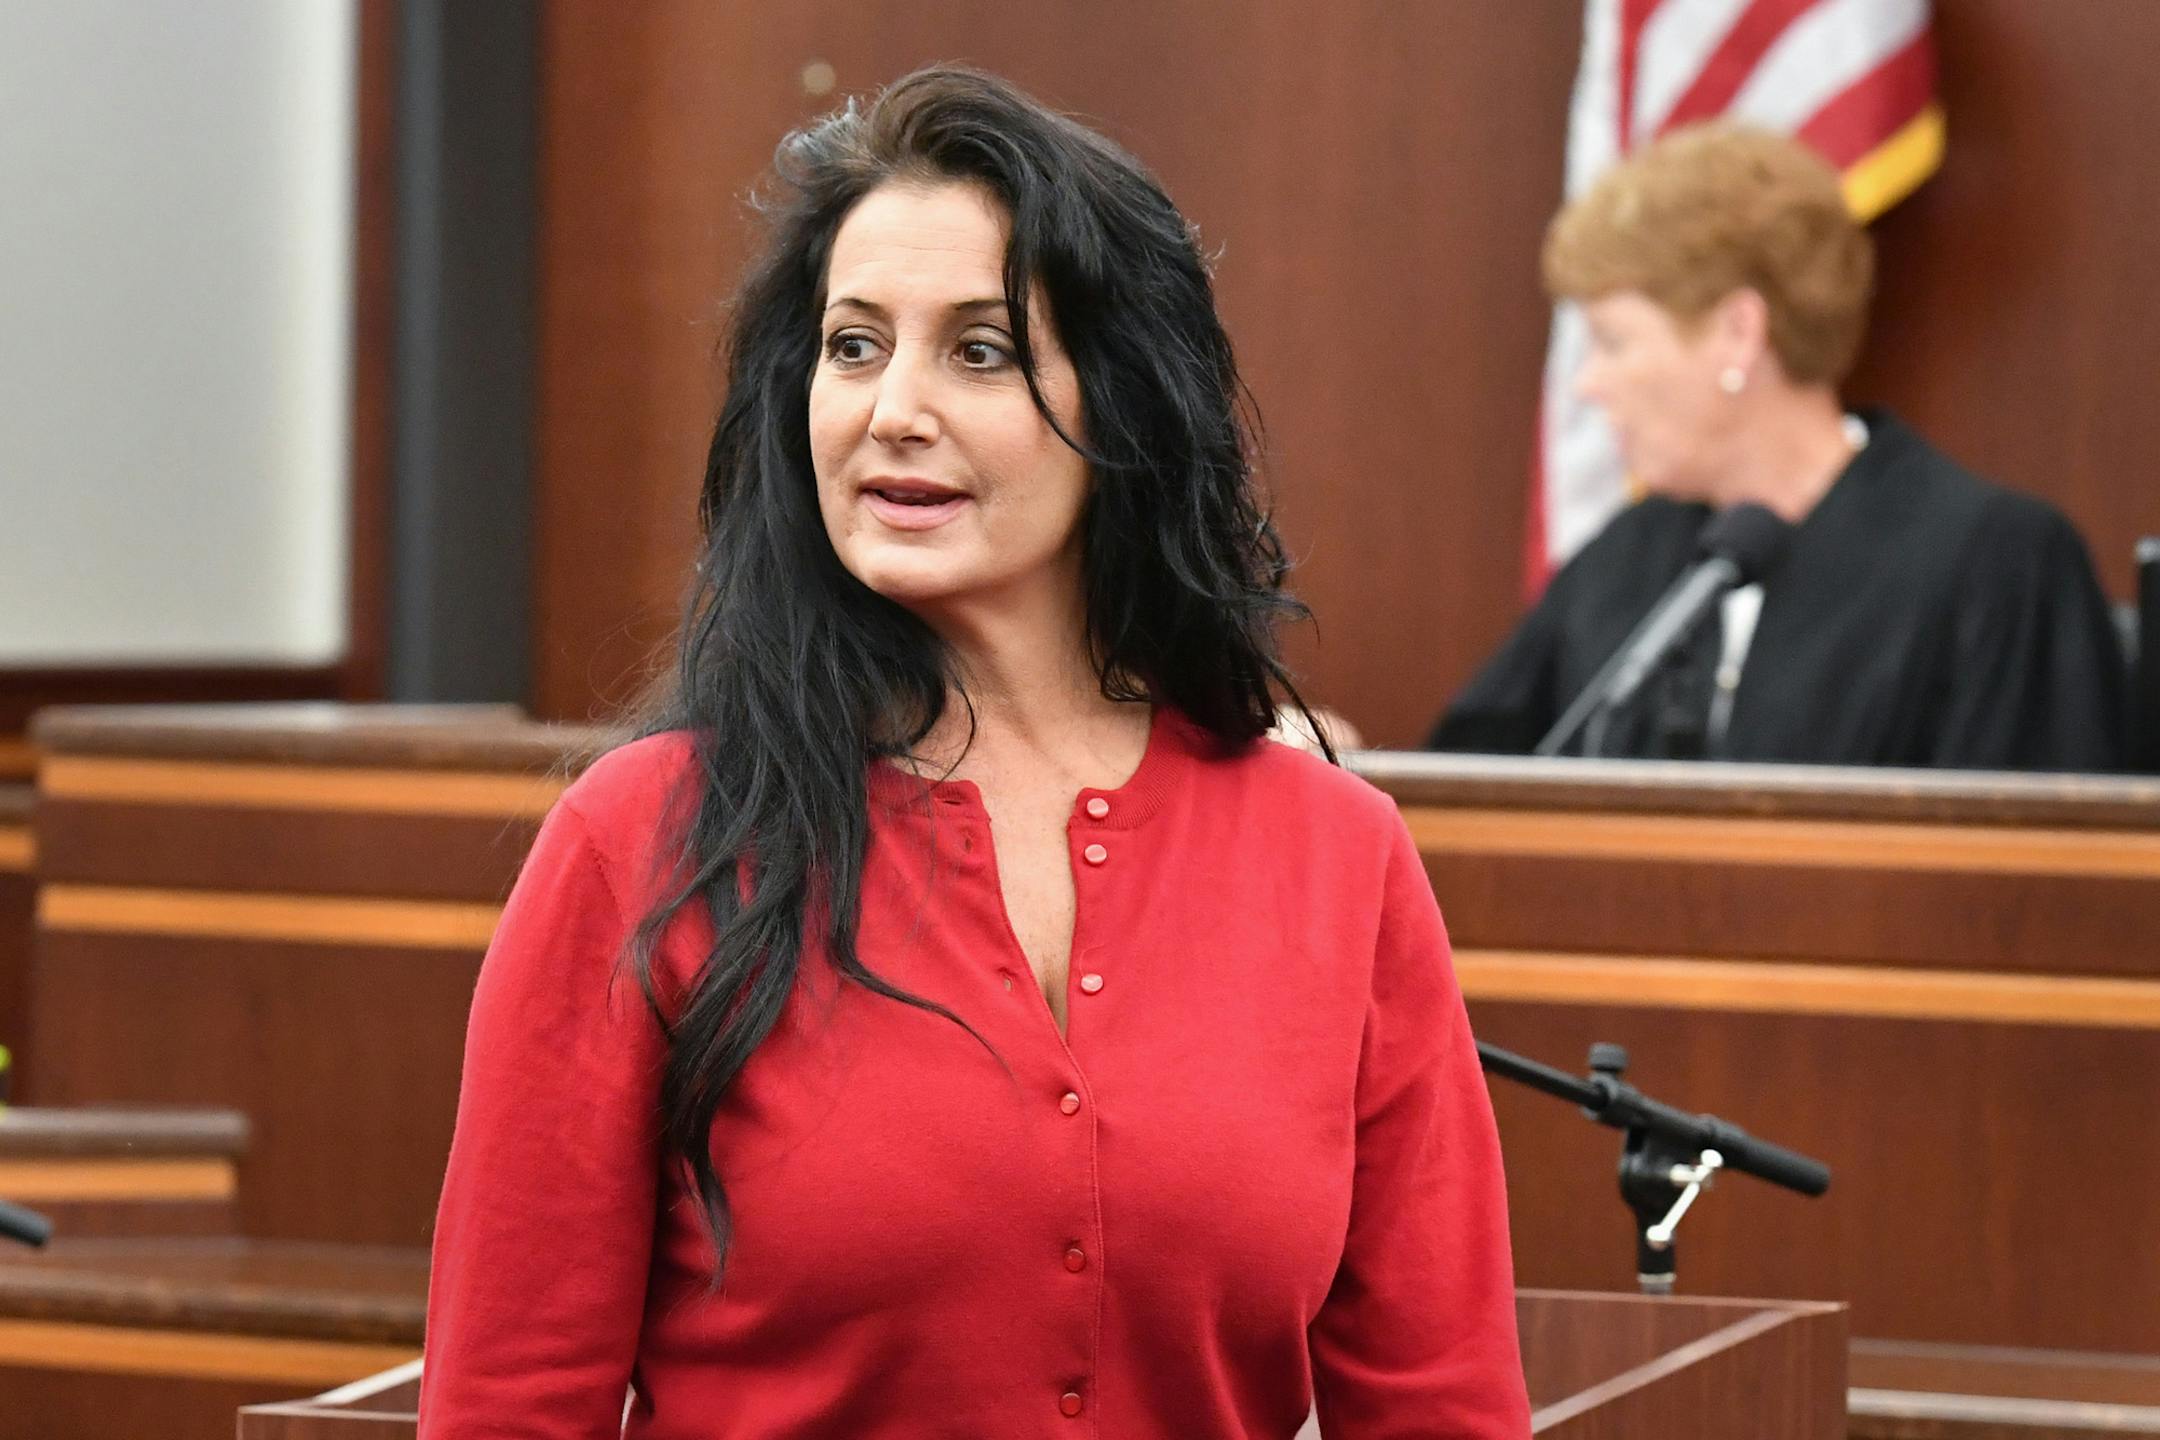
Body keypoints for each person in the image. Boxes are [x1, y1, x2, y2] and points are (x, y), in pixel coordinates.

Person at [421, 66, 1530, 1438]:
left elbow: (1443, 1407)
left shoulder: (1335, 856)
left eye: (980, 351)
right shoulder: (639, 837)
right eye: (853, 345)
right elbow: (508, 1409)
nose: (893, 408)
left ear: (1124, 411)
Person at [1429, 123, 2127, 770]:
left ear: (1738, 331)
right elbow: (1472, 790)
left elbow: (2036, 875)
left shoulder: (1996, 562)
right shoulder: (1630, 559)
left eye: (1614, 342)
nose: (1588, 384)